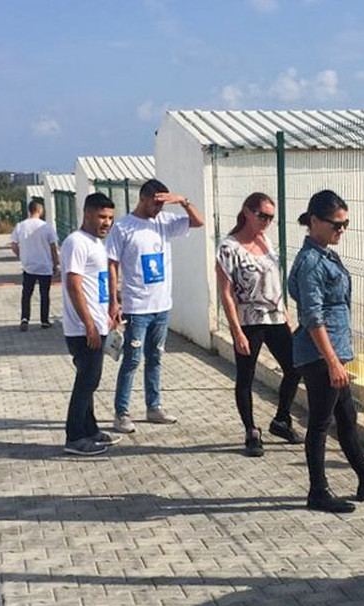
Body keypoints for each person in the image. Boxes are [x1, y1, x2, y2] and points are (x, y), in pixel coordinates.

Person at [287, 190, 364, 513]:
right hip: (321, 356)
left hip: (332, 353)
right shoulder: (311, 262)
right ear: (313, 221)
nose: (342, 230)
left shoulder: (326, 254)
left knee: (347, 417)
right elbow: (312, 317)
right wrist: (333, 362)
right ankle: (318, 492)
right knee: (321, 423)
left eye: (345, 223)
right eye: (336, 224)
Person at [105, 179, 204, 434]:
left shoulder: (164, 222)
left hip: (162, 305)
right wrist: (113, 301)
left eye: (162, 203)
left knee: (156, 357)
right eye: (156, 203)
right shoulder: (124, 227)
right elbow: (112, 264)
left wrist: (183, 201)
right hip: (137, 307)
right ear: (143, 198)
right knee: (132, 360)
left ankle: (154, 406)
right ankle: (121, 412)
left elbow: (198, 222)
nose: (159, 208)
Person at [216, 193, 303, 457]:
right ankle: (251, 431)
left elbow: (274, 280)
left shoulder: (266, 241)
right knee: (246, 376)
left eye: (270, 217)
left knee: (295, 367)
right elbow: (226, 292)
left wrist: (286, 314)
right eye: (261, 215)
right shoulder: (229, 247)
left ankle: (281, 419)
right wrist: (236, 330)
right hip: (249, 321)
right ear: (246, 212)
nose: (266, 222)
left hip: (275, 317)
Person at [61, 193, 121, 456]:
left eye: (110, 218)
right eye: (101, 217)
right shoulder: (76, 242)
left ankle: (90, 429)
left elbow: (97, 281)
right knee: (87, 382)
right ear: (86, 215)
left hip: (98, 323)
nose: (106, 222)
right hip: (83, 329)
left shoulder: (96, 242)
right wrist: (89, 325)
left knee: (89, 381)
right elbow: (73, 284)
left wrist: (112, 307)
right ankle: (75, 437)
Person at [10, 199, 60, 331]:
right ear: (39, 210)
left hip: (28, 266)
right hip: (44, 266)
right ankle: (44, 320)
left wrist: (22, 255)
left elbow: (14, 245)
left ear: (29, 210)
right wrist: (56, 264)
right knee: (44, 294)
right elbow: (53, 247)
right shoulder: (46, 227)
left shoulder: (20, 226)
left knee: (26, 293)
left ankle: (25, 318)